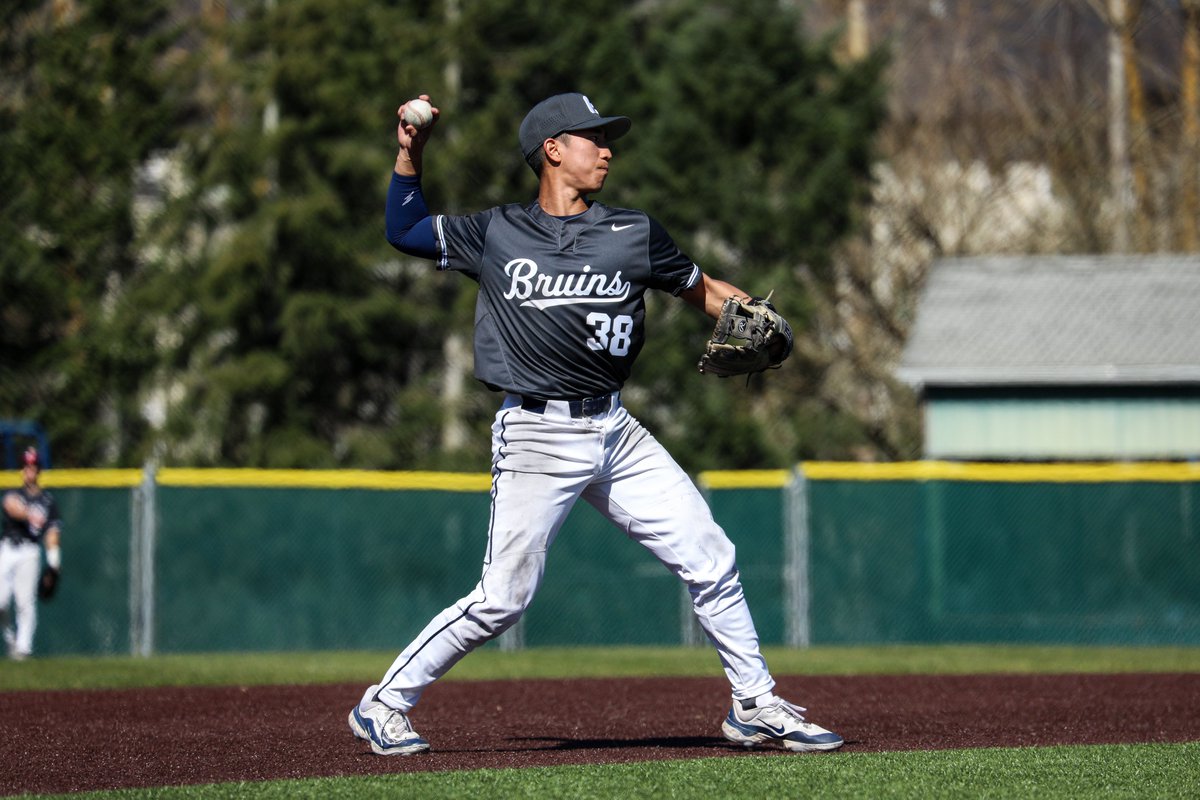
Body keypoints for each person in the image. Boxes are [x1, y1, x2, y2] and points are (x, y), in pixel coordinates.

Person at [349, 92, 843, 756]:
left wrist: (751, 309)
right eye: (592, 137)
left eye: (607, 139)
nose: (607, 148)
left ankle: (754, 703)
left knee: (711, 556)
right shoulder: (496, 233)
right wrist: (411, 150)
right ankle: (384, 703)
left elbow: (702, 290)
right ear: (552, 149)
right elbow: (403, 231)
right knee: (503, 600)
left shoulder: (634, 232)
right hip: (534, 434)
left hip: (615, 430)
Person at [1, 447, 62, 660]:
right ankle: (10, 641)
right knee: (1, 602)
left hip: (29, 551)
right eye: (26, 467)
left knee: (24, 602)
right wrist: (31, 514)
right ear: (22, 470)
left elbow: (52, 533)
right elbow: (10, 506)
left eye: (33, 467)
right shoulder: (14, 494)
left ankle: (23, 649)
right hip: (8, 549)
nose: (30, 471)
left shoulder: (48, 501)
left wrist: (54, 564)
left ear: (39, 470)